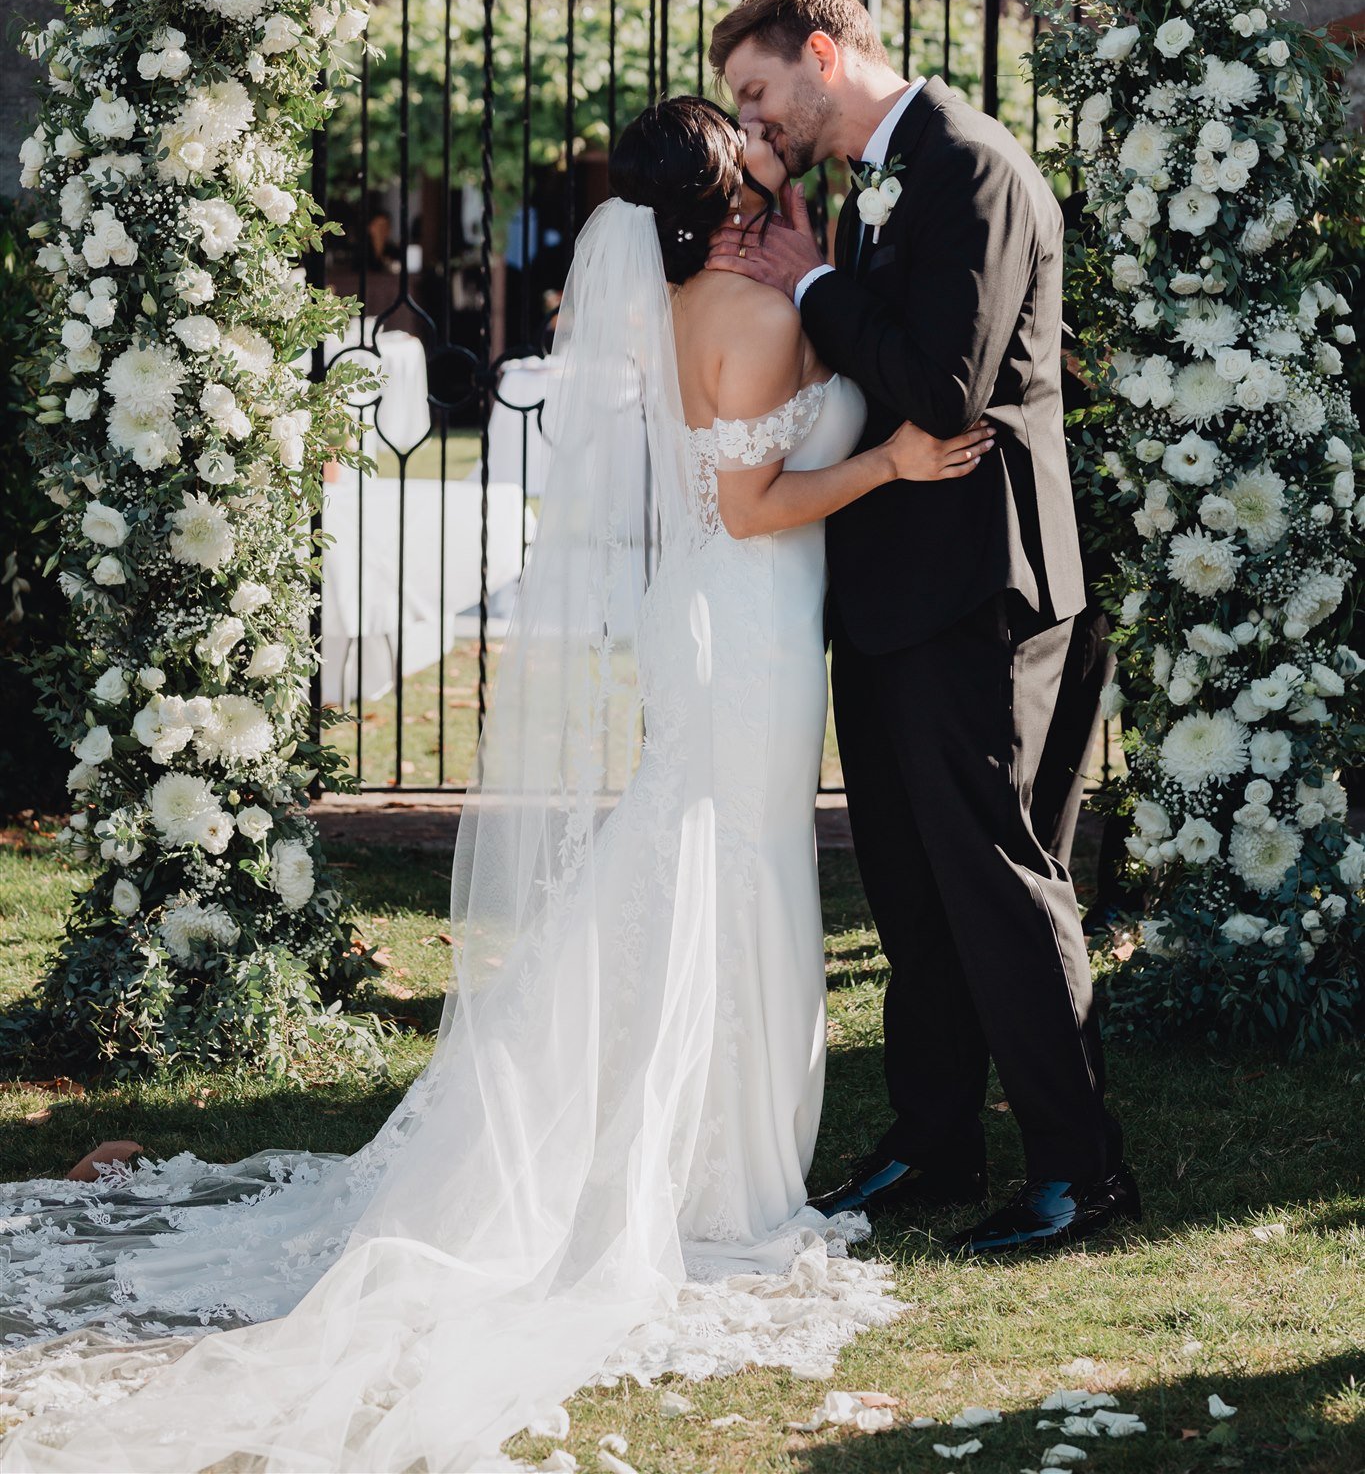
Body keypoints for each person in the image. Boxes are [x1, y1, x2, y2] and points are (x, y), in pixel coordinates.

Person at [0, 97, 991, 1474]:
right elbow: (754, 502)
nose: (779, 147)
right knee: (720, 863)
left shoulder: (707, 300)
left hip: (728, 614)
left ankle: (660, 1128)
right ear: (726, 193)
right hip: (746, 616)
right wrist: (888, 457)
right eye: (756, 144)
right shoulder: (752, 319)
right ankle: (697, 1160)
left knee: (705, 856)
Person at [704, 0, 1138, 1256]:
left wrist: (813, 283)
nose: (754, 121)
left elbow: (943, 391)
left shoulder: (969, 165)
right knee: (907, 884)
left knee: (999, 879)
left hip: (978, 583)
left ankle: (1082, 1168)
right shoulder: (869, 182)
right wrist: (819, 279)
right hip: (891, 584)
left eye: (760, 91)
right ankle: (931, 1140)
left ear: (825, 55)